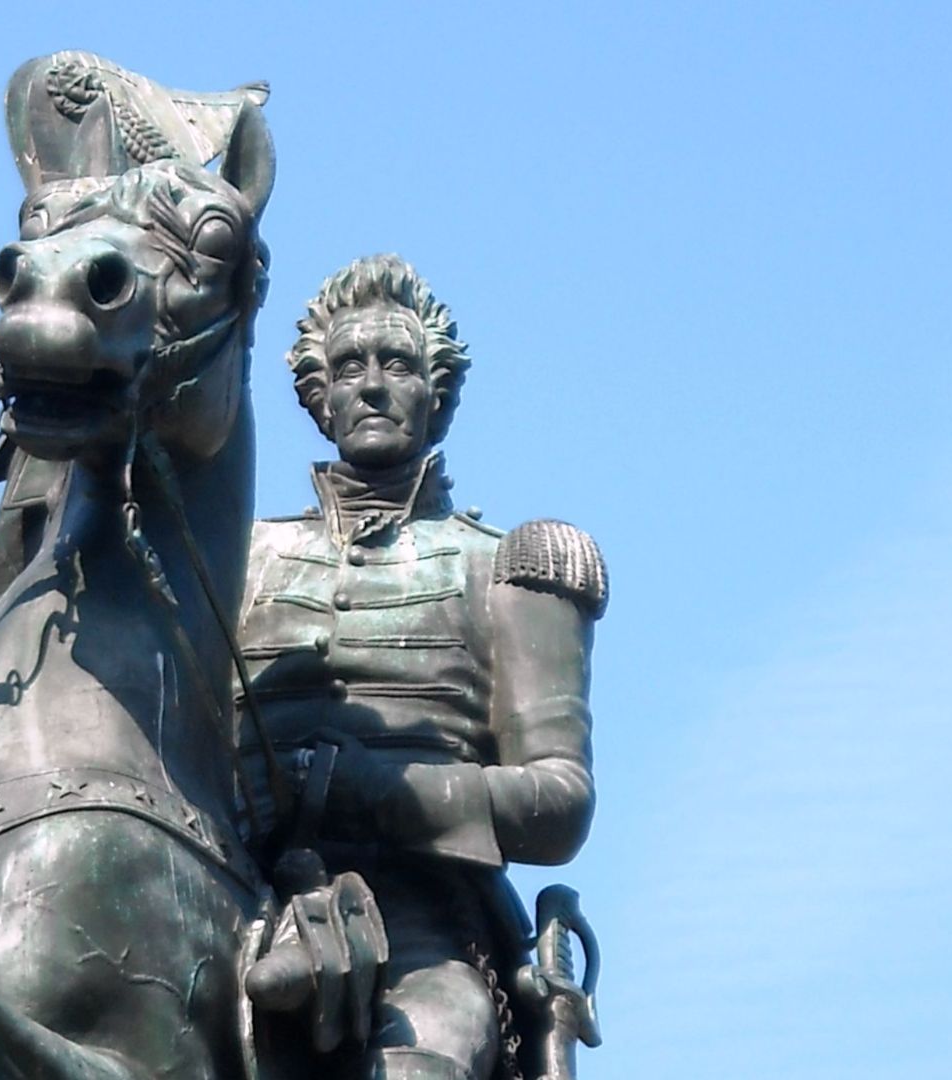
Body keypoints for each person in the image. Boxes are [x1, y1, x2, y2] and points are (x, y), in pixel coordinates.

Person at [238, 255, 606, 1080]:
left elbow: (559, 803)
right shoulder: (239, 561)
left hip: (422, 927)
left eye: (397, 364)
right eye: (348, 368)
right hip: (233, 890)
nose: (372, 386)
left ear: (436, 390)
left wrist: (362, 789)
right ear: (317, 395)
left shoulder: (512, 567)